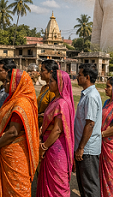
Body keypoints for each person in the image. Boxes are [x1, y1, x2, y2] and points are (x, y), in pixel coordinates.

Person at [0, 59, 39, 197]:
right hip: (10, 153)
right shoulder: (15, 99)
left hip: (15, 154)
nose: (4, 84)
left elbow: (13, 132)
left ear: (15, 83)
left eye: (7, 81)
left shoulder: (21, 103)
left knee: (17, 190)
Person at [37, 68, 74, 197]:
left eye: (52, 81)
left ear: (60, 84)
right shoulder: (56, 100)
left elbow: (57, 129)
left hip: (55, 148)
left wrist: (43, 147)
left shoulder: (62, 103)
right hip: (51, 145)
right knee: (49, 183)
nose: (49, 83)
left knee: (57, 185)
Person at [74, 63, 102, 197]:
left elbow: (90, 124)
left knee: (90, 186)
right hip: (84, 147)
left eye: (79, 75)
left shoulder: (91, 96)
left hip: (87, 149)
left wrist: (81, 147)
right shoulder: (86, 94)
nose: (77, 77)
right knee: (83, 184)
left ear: (87, 77)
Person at [37, 59, 57, 127]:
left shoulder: (53, 91)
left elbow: (52, 113)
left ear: (50, 72)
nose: (40, 73)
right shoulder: (44, 88)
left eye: (43, 70)